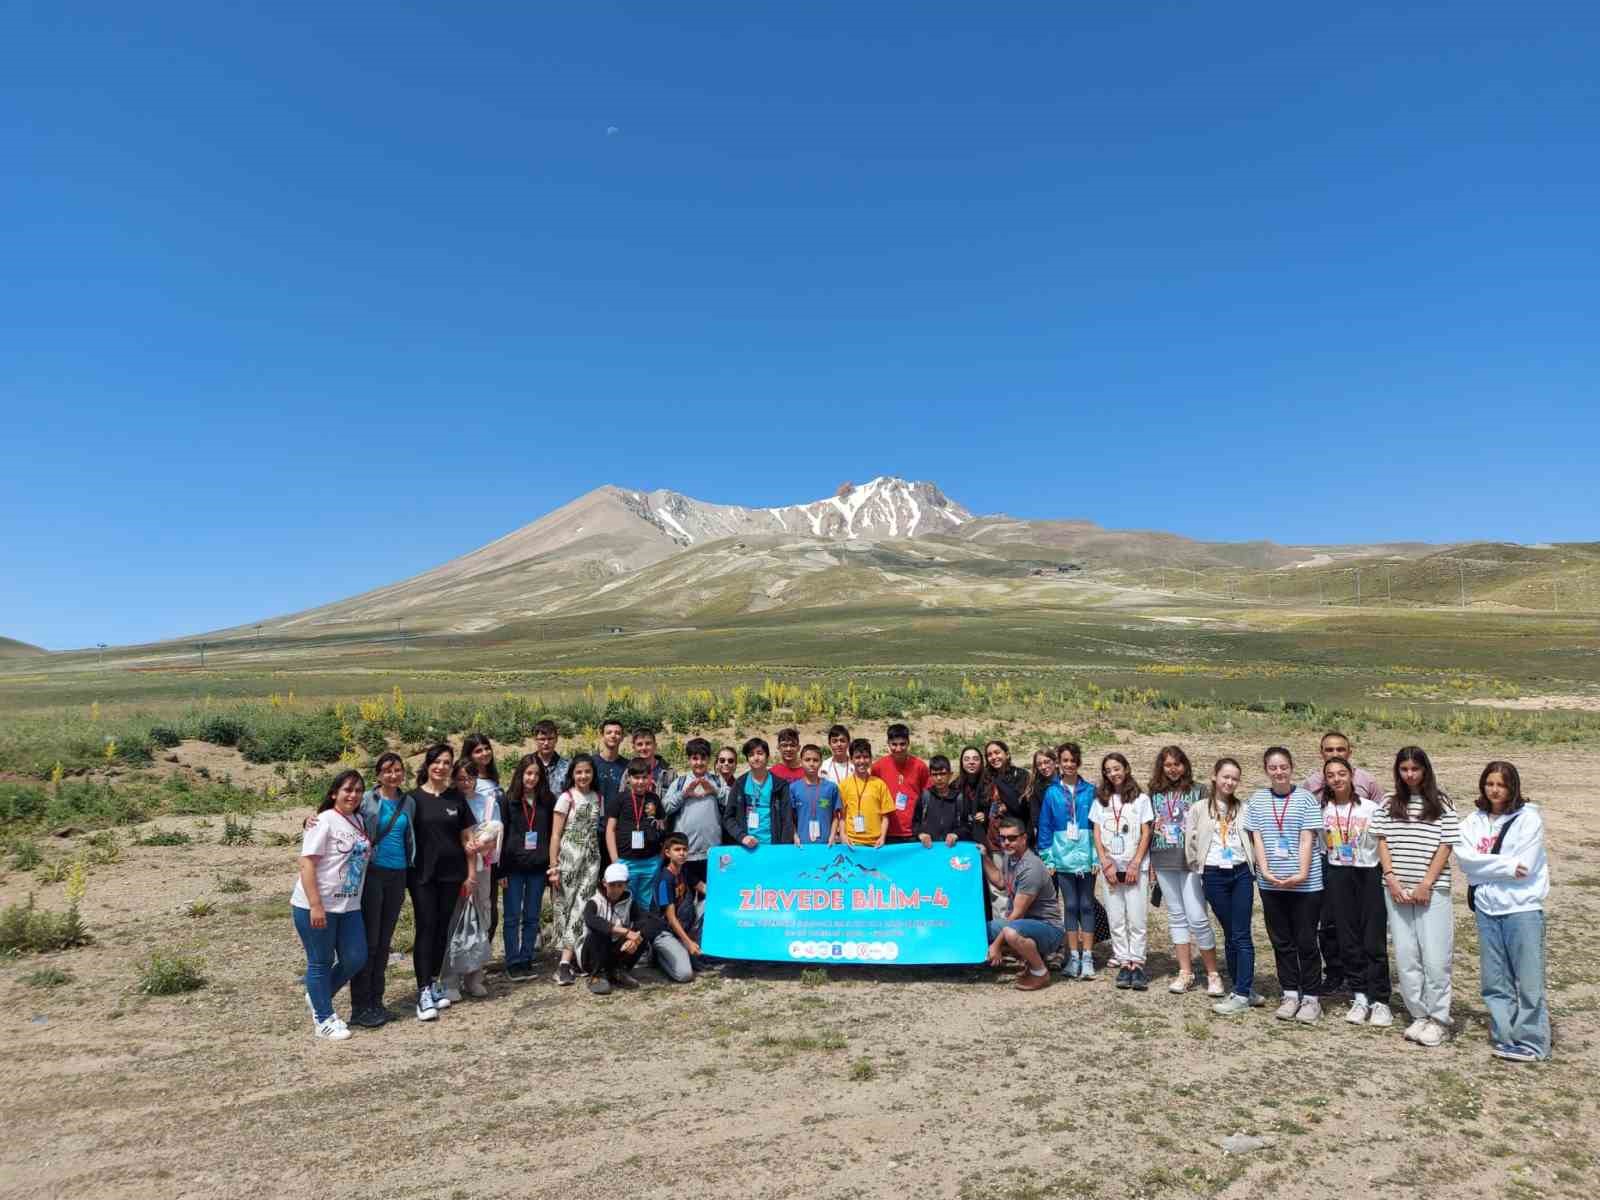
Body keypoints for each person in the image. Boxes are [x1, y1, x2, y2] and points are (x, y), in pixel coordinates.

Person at [1455, 761, 1550, 1062]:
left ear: (1512, 787)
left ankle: (1533, 1041)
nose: (1495, 790)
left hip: (1522, 907)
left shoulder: (1528, 819)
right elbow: (1465, 862)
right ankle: (1505, 1034)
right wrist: (1506, 865)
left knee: (1528, 977)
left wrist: (1487, 867)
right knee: (1495, 978)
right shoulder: (1473, 821)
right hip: (1486, 908)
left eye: (1502, 785)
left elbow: (1527, 867)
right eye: (1490, 784)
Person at [1373, 746, 1460, 1047]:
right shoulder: (1387, 802)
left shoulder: (1442, 802)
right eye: (1404, 769)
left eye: (1415, 769)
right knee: (1407, 955)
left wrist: (1427, 883)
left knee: (1435, 958)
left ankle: (1439, 1019)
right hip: (1396, 889)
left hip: (1431, 890)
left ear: (1425, 770)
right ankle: (1418, 1014)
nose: (1410, 775)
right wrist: (1390, 878)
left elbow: (1446, 845)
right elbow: (1381, 841)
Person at [1245, 747, 1325, 1023]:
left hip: (1306, 884)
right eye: (1273, 767)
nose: (1279, 772)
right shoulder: (1257, 800)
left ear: (1292, 767)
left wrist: (1302, 873)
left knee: (1306, 939)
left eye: (1283, 767)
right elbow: (1257, 839)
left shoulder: (1305, 799)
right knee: (1281, 940)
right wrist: (1264, 871)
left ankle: (1312, 997)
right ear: (1266, 770)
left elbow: (1307, 839)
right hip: (1271, 883)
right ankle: (1290, 992)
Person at [291, 769, 371, 1040]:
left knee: (355, 958)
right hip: (317, 904)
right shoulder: (323, 821)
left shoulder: (359, 819)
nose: (354, 795)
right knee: (320, 962)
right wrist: (315, 905)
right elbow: (307, 864)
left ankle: (317, 995)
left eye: (359, 790)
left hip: (349, 905)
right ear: (334, 793)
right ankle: (323, 1019)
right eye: (348, 789)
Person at [1304, 730, 1382, 996]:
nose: (1335, 754)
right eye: (1329, 750)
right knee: (1329, 920)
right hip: (1328, 859)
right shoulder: (1311, 783)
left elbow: (1379, 820)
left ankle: (1360, 974)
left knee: (1361, 920)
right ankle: (1335, 972)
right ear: (1321, 752)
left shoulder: (1367, 780)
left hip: (1363, 862)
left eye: (1340, 749)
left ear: (1350, 751)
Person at [1317, 755, 1392, 1027]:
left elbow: (1384, 843)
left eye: (1341, 773)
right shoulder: (1322, 810)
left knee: (1372, 938)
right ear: (1326, 780)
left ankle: (1381, 999)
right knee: (1347, 938)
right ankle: (1360, 995)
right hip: (1338, 872)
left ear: (1351, 776)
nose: (1337, 779)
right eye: (1331, 775)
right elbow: (1322, 845)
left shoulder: (1371, 808)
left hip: (1368, 873)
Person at [406, 743, 478, 1021]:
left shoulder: (455, 798)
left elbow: (467, 840)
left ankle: (434, 983)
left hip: (452, 875)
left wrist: (471, 874)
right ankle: (423, 991)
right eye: (437, 762)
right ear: (428, 764)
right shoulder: (412, 799)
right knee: (426, 927)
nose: (441, 767)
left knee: (442, 930)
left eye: (447, 763)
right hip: (423, 876)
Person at [1187, 757, 1264, 1015]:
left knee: (1241, 933)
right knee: (1230, 931)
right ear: (1215, 777)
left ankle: (1243, 992)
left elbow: (1252, 837)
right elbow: (1191, 841)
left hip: (1241, 873)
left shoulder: (1244, 808)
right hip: (1213, 875)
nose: (1230, 782)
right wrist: (1199, 864)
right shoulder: (1198, 808)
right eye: (1225, 777)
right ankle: (1241, 986)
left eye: (1234, 778)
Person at [1146, 746, 1223, 996]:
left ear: (1185, 765)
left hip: (1191, 861)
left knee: (1198, 917)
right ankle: (1185, 972)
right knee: (1176, 916)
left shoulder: (1199, 790)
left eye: (1177, 764)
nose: (1173, 769)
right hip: (1162, 858)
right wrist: (1149, 865)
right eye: (1167, 765)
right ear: (1162, 767)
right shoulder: (1154, 792)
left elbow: (1210, 823)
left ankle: (1213, 974)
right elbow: (1148, 829)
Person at [348, 752, 412, 1028]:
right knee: (370, 942)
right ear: (378, 775)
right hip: (372, 874)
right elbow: (337, 812)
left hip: (398, 875)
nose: (393, 775)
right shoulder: (366, 800)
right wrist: (310, 821)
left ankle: (377, 1002)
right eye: (387, 770)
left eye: (397, 770)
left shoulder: (408, 802)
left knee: (384, 941)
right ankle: (360, 1007)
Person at [1090, 752, 1153, 990]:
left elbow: (1146, 832)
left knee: (1136, 917)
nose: (1113, 773)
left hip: (1134, 866)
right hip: (1110, 867)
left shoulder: (1141, 799)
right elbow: (1097, 832)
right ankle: (1123, 962)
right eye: (1108, 770)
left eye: (1117, 768)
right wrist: (1104, 861)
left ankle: (1137, 962)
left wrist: (1136, 862)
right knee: (1116, 917)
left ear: (1126, 768)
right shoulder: (1101, 800)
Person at [1036, 741, 1098, 980]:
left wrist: (1097, 857)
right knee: (1070, 906)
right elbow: (1045, 826)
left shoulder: (1091, 791)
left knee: (1087, 905)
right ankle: (1074, 957)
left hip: (1087, 858)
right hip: (1062, 859)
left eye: (1073, 760)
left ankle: (1089, 957)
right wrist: (1048, 858)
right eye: (1065, 761)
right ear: (1059, 764)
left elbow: (1097, 826)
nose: (1069, 765)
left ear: (1078, 762)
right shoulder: (1052, 793)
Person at [441, 758, 501, 1001]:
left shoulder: (489, 802)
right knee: (455, 922)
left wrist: (482, 844)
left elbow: (497, 834)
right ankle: (449, 979)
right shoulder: (447, 801)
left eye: (470, 778)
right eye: (461, 779)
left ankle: (474, 975)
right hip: (455, 869)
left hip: (482, 868)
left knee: (481, 919)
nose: (465, 783)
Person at [983, 815, 1064, 991]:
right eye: (1002, 838)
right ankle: (1026, 958)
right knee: (985, 929)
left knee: (1011, 933)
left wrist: (996, 945)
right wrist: (984, 857)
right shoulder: (1009, 857)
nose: (1006, 843)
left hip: (1048, 928)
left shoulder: (1030, 867)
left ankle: (1040, 972)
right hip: (1026, 923)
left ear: (1024, 838)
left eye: (1012, 838)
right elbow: (1001, 882)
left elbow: (1017, 915)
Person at [497, 752, 556, 982]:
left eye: (536, 775)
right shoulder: (507, 799)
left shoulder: (547, 801)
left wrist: (552, 865)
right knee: (512, 916)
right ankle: (512, 961)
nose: (531, 779)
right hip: (513, 867)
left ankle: (526, 957)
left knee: (532, 916)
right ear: (520, 774)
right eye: (528, 773)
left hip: (537, 868)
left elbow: (552, 834)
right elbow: (501, 836)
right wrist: (499, 870)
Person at [549, 754, 604, 987]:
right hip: (568, 859)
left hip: (591, 860)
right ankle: (565, 960)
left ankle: (567, 961)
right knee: (564, 907)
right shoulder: (566, 798)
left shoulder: (597, 798)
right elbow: (555, 834)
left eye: (587, 772)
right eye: (579, 772)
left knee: (581, 909)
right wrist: (553, 866)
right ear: (572, 774)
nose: (583, 776)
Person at [578, 861, 659, 996]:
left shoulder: (630, 903)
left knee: (641, 934)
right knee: (601, 932)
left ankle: (618, 970)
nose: (616, 889)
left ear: (626, 885)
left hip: (615, 951)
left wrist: (636, 939)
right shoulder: (594, 902)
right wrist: (625, 931)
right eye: (612, 885)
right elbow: (591, 920)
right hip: (592, 955)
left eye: (620, 885)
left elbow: (648, 921)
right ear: (604, 883)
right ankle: (597, 975)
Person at [662, 737, 730, 883]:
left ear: (709, 759)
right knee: (686, 897)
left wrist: (715, 791)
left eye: (703, 758)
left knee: (711, 893)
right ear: (689, 760)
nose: (699, 763)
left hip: (712, 852)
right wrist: (684, 794)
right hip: (685, 853)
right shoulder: (679, 783)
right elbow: (665, 808)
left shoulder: (718, 781)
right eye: (695, 758)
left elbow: (732, 804)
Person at [607, 757, 668, 911]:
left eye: (644, 778)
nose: (640, 782)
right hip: (626, 861)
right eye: (636, 778)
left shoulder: (654, 799)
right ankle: (626, 933)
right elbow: (610, 829)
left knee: (646, 903)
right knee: (625, 902)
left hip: (650, 862)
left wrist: (660, 857)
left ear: (650, 778)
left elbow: (662, 827)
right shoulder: (620, 799)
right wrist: (615, 860)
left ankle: (643, 933)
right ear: (629, 778)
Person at [722, 736, 794, 848]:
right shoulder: (739, 784)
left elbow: (787, 820)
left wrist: (782, 848)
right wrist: (742, 837)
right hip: (746, 848)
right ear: (747, 759)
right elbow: (728, 818)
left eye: (760, 753)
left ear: (767, 756)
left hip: (773, 846)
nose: (756, 758)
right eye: (751, 755)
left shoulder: (780, 785)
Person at [652, 833, 703, 983]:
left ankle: (687, 949)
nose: (682, 853)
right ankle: (659, 956)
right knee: (685, 974)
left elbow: (705, 889)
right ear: (668, 853)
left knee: (707, 904)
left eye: (685, 849)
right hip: (666, 931)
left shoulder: (685, 871)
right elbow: (671, 918)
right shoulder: (664, 879)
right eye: (677, 849)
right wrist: (688, 942)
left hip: (684, 926)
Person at [872, 723, 931, 845]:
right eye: (894, 744)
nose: (898, 749)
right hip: (886, 832)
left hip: (913, 832)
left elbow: (928, 797)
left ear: (908, 743)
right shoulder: (878, 767)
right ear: (888, 744)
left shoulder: (920, 767)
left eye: (902, 744)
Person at [839, 738, 893, 848]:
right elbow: (842, 816)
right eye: (857, 757)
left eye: (866, 757)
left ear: (871, 759)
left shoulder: (879, 784)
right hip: (851, 842)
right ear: (851, 760)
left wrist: (882, 837)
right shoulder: (844, 785)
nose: (862, 761)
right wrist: (843, 835)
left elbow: (885, 816)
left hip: (875, 844)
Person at [913, 754, 974, 848]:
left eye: (942, 774)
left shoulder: (960, 798)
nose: (939, 778)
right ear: (930, 776)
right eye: (935, 774)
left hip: (953, 850)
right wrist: (921, 834)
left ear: (950, 774)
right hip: (928, 850)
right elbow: (915, 823)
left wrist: (956, 834)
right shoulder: (925, 796)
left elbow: (968, 825)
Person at [592, 720, 630, 870]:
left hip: (617, 829)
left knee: (614, 876)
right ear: (602, 735)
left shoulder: (627, 765)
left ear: (622, 737)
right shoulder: (591, 763)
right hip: (594, 828)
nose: (613, 736)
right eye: (609, 732)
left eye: (617, 733)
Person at [790, 744, 842, 846]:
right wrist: (794, 835)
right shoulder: (793, 788)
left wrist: (832, 835)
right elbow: (790, 817)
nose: (811, 764)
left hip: (827, 844)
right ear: (801, 762)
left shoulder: (831, 787)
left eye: (815, 760)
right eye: (807, 760)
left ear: (821, 762)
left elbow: (836, 815)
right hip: (802, 844)